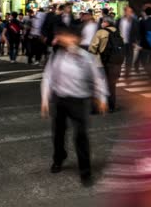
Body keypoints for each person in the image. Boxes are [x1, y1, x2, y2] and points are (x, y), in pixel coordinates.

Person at [41, 26, 108, 187]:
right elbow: (48, 76)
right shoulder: (56, 54)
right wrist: (45, 99)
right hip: (60, 99)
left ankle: (85, 172)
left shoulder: (86, 57)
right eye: (62, 36)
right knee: (58, 133)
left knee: (81, 136)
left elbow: (97, 78)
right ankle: (58, 158)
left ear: (76, 39)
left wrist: (102, 98)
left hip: (79, 101)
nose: (63, 38)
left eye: (67, 36)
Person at [88, 16, 123, 112]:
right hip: (115, 63)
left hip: (100, 63)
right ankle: (111, 106)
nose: (102, 23)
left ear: (107, 22)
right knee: (111, 85)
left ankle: (96, 107)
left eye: (103, 21)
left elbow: (92, 48)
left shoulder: (101, 32)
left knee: (97, 84)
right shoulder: (118, 32)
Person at [118, 6, 141, 78]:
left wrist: (136, 41)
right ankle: (118, 72)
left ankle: (127, 73)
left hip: (130, 42)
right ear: (124, 12)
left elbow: (137, 32)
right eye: (127, 11)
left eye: (130, 11)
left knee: (129, 58)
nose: (129, 13)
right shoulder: (119, 20)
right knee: (119, 58)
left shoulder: (134, 21)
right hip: (121, 42)